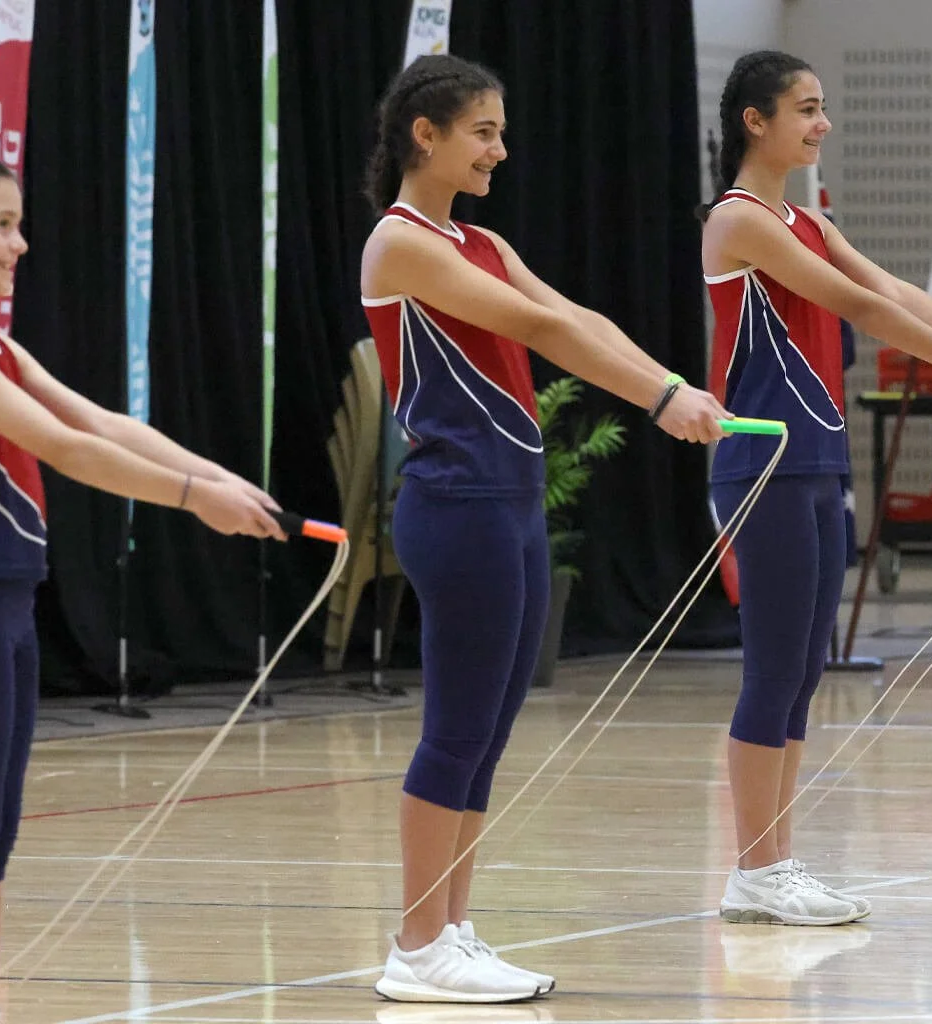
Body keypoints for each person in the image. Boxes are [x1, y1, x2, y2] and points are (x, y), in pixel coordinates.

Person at [0, 145, 284, 1023]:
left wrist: (223, 479)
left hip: (6, 602)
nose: (20, 244)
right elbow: (65, 449)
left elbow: (102, 420)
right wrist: (191, 500)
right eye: (3, 226)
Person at [357, 54, 731, 1001]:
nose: (501, 149)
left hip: (511, 503)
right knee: (456, 726)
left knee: (487, 730)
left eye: (501, 129)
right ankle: (415, 945)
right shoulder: (400, 246)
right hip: (459, 507)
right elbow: (540, 333)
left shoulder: (478, 240)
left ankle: (452, 927)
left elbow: (578, 314)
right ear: (425, 135)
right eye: (483, 131)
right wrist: (658, 399)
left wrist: (680, 386)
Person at [700, 50, 932, 926]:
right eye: (806, 110)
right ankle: (754, 867)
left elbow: (890, 287)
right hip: (764, 464)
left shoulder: (808, 220)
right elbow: (864, 312)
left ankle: (775, 859)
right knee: (774, 666)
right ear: (756, 121)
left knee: (806, 667)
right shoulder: (740, 222)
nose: (822, 126)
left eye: (822, 109)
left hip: (818, 461)